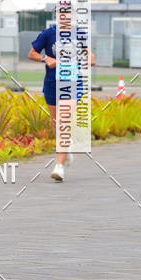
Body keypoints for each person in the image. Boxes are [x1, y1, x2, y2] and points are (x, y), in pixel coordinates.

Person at [28, 23, 95, 181]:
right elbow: (32, 54)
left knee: (63, 120)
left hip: (73, 83)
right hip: (52, 84)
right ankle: (66, 150)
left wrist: (89, 59)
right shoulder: (48, 33)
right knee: (56, 124)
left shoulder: (79, 33)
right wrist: (46, 58)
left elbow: (90, 55)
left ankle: (59, 166)